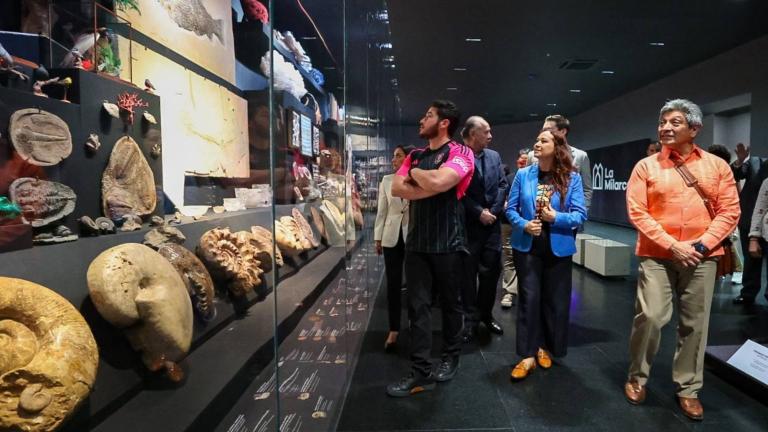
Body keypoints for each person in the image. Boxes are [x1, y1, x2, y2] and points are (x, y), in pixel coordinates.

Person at [623, 99, 740, 421]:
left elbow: (730, 211)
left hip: (702, 257)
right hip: (657, 254)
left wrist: (701, 246)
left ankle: (688, 388)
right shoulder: (645, 167)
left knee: (695, 324)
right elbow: (638, 212)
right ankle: (637, 376)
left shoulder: (718, 167)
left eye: (674, 122)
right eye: (662, 121)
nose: (665, 127)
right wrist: (673, 245)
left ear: (695, 128)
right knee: (650, 315)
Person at [387, 100, 474, 397]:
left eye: (428, 116)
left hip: (448, 242)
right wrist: (432, 183)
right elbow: (396, 189)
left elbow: (441, 180)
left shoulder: (460, 152)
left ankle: (451, 357)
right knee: (418, 308)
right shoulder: (416, 154)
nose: (422, 120)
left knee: (451, 305)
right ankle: (420, 368)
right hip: (417, 244)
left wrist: (418, 176)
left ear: (444, 122)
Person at [505, 128, 587, 381]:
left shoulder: (572, 178)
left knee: (555, 302)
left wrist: (556, 217)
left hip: (558, 247)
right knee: (529, 299)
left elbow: (580, 214)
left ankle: (545, 347)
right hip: (527, 246)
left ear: (557, 146)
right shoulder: (523, 174)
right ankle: (527, 354)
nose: (537, 143)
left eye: (543, 140)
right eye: (537, 139)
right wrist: (524, 224)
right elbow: (510, 210)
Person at [460, 116, 507, 340]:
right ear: (472, 134)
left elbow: (502, 185)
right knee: (467, 276)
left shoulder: (494, 156)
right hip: (468, 226)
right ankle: (469, 319)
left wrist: (493, 212)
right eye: (486, 131)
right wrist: (479, 212)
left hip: (492, 227)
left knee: (491, 273)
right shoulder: (457, 156)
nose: (490, 136)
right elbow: (458, 193)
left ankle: (486, 315)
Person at [374, 145, 412, 352]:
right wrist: (377, 238)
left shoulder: (418, 178)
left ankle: (415, 324)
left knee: (416, 284)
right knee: (393, 286)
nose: (393, 159)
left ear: (408, 158)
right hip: (391, 237)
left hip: (413, 236)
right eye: (393, 156)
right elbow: (382, 211)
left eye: (398, 156)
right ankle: (394, 329)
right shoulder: (387, 181)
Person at [527, 114, 592, 211]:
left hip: (570, 216)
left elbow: (586, 189)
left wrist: (580, 212)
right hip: (539, 213)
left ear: (563, 131)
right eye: (543, 130)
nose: (544, 133)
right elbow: (527, 185)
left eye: (548, 129)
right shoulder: (533, 156)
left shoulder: (580, 156)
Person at [731, 142, 768, 305]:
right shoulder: (755, 163)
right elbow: (736, 174)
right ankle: (748, 292)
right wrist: (740, 160)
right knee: (750, 259)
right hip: (750, 218)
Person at [500, 149, 530, 309]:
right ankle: (510, 292)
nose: (522, 163)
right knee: (510, 256)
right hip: (509, 223)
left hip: (531, 225)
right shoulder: (509, 178)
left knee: (529, 257)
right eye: (520, 160)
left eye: (526, 160)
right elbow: (504, 202)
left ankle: (528, 293)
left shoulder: (538, 179)